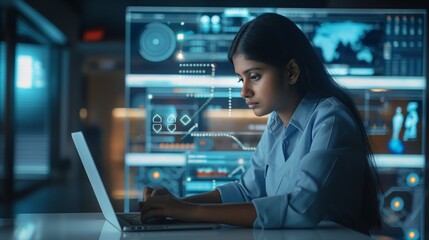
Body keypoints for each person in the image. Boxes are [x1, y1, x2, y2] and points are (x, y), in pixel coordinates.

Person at [140, 12, 382, 235]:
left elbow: (301, 207)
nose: (244, 91)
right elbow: (248, 190)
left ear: (291, 71)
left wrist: (188, 212)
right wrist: (174, 204)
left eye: (254, 76)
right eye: (240, 79)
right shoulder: (278, 122)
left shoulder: (330, 118)